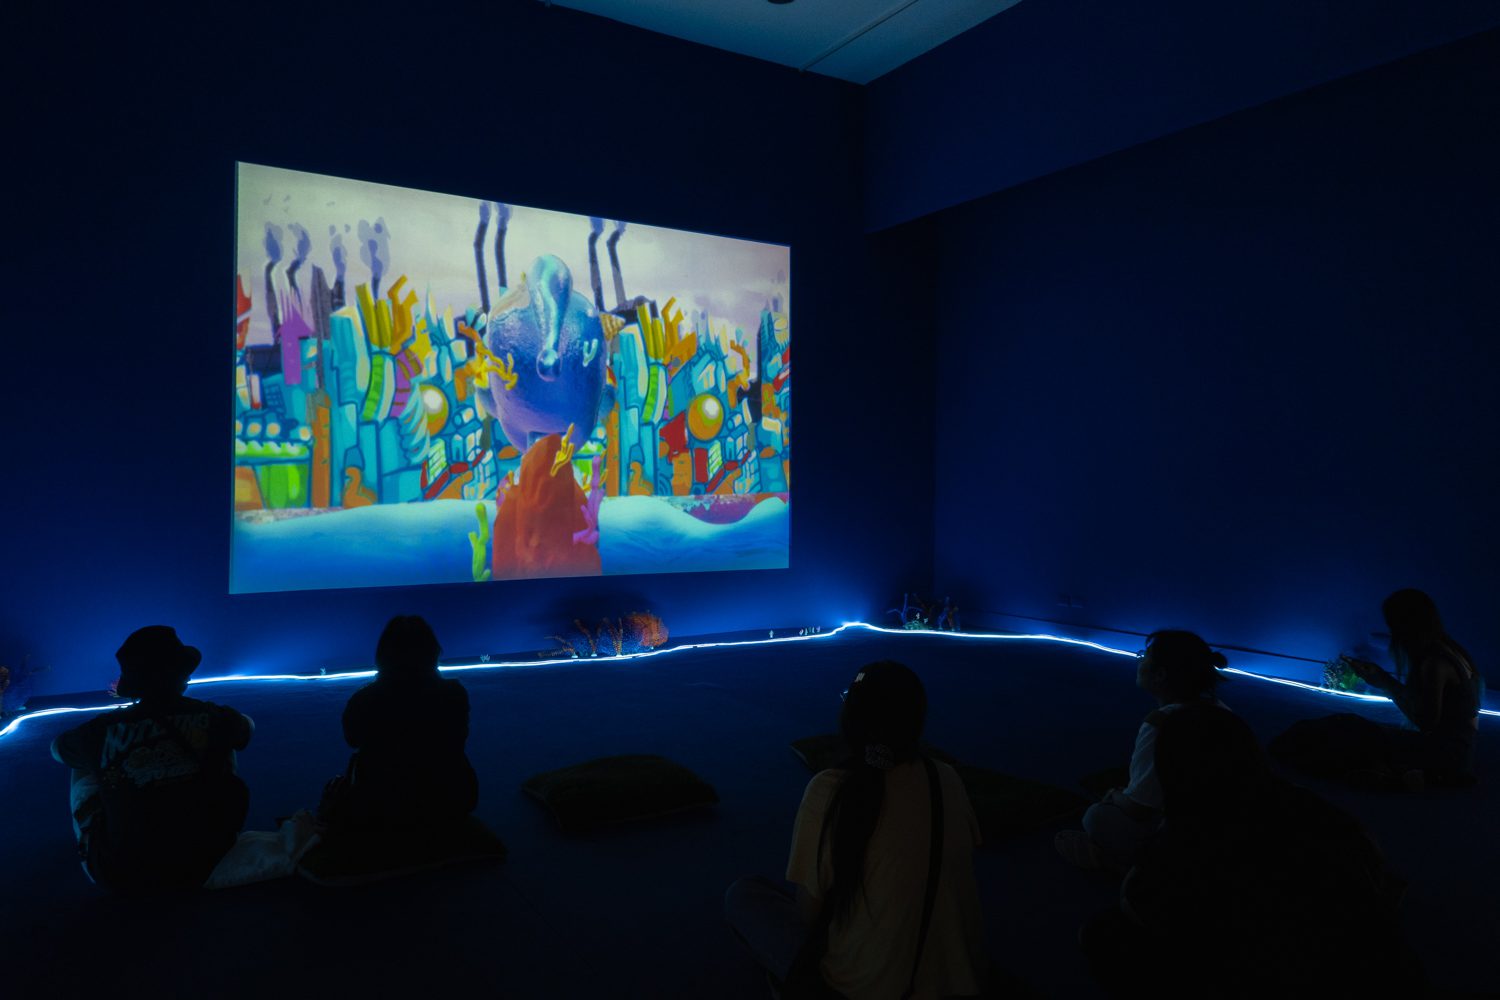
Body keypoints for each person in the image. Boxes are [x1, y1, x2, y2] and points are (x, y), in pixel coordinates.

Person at [1080, 705, 1419, 995]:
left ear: (1170, 771)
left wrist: (1113, 862)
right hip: (1369, 968)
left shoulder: (1189, 840)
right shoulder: (1311, 807)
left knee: (1103, 936)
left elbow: (1139, 905)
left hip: (1281, 973)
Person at [725, 661, 990, 999]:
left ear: (849, 719)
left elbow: (809, 915)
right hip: (956, 984)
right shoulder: (946, 778)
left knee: (745, 896)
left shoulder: (829, 791)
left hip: (858, 988)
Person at [51, 625, 252, 893]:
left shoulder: (99, 730)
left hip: (121, 874)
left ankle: (104, 835)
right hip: (209, 859)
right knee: (226, 741)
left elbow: (57, 749)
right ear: (181, 674)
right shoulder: (213, 716)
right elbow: (247, 728)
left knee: (82, 761)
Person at [1271, 589, 1482, 790]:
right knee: (1350, 728)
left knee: (1345, 730)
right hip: (1458, 754)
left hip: (1445, 757)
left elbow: (1425, 722)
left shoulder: (1434, 663)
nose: (1393, 634)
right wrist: (1383, 680)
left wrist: (1384, 682)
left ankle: (1404, 775)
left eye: (1394, 626)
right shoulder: (1451, 651)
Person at [1055, 630, 1228, 870]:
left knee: (1096, 816)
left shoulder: (1160, 724)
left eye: (1144, 656)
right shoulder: (1222, 711)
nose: (1139, 661)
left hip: (1185, 833)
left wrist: (1115, 795)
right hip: (1225, 824)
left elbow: (1140, 808)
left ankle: (1131, 864)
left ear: (1160, 675)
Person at [319, 615, 478, 837]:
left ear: (384, 654)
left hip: (381, 805)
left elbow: (352, 739)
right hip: (451, 797)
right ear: (432, 651)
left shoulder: (364, 699)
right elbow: (459, 737)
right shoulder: (455, 693)